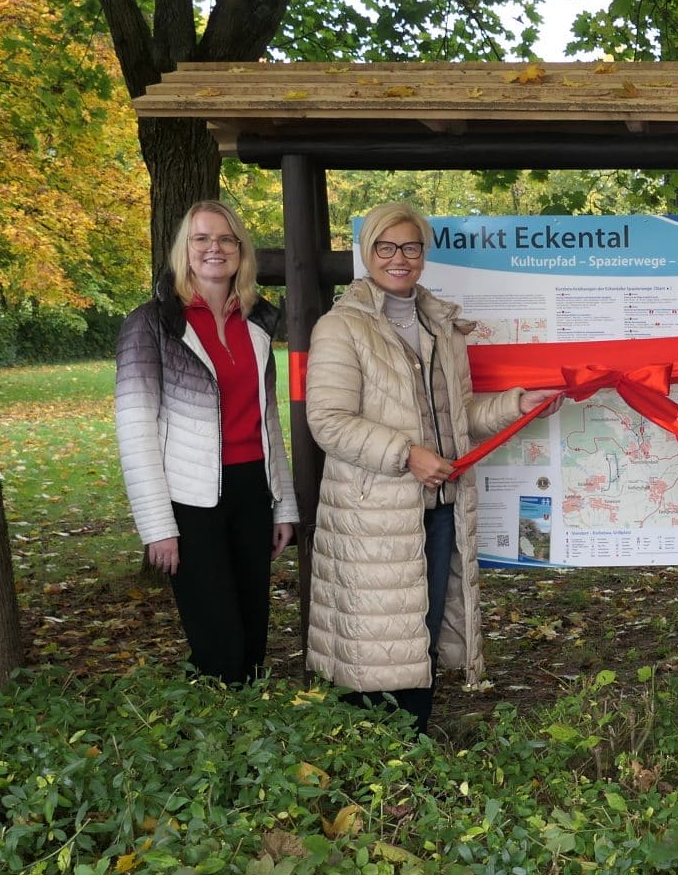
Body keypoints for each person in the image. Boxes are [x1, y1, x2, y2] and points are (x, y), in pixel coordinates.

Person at [305, 201, 558, 732]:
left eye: (411, 247)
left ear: (423, 254)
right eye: (386, 247)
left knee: (422, 626)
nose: (399, 258)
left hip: (440, 506)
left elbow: (460, 417)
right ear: (367, 252)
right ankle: (372, 752)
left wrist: (518, 404)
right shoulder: (340, 326)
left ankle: (412, 744)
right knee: (374, 635)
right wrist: (407, 455)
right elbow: (328, 421)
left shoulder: (441, 326)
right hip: (372, 513)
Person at [115, 200, 300, 683]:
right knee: (217, 634)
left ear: (240, 250)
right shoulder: (153, 323)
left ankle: (250, 714)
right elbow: (135, 429)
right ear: (185, 249)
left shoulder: (257, 323)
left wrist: (283, 505)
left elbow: (268, 420)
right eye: (201, 238)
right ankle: (218, 714)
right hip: (190, 498)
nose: (214, 248)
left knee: (253, 626)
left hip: (252, 489)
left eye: (225, 239)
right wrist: (157, 525)